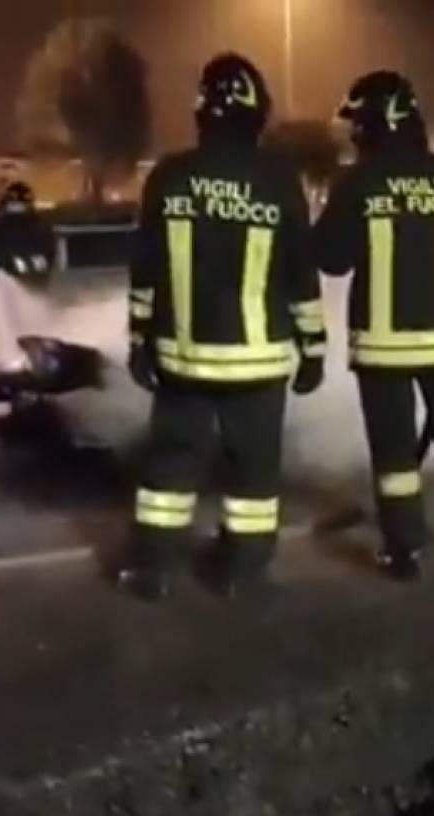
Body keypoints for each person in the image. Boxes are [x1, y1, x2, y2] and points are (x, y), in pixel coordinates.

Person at [120, 53, 327, 601]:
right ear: (258, 113)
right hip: (259, 363)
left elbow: (146, 268)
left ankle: (154, 568)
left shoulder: (169, 176)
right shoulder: (279, 181)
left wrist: (139, 338)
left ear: (201, 112)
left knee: (170, 463)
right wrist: (315, 348)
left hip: (183, 356)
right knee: (254, 474)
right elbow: (299, 273)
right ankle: (242, 569)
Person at [315, 71, 434, 581]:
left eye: (357, 123)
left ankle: (405, 549)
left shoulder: (359, 183)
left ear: (372, 124)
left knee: (395, 451)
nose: (352, 134)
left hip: (385, 345)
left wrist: (323, 215)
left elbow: (329, 260)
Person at [0, 181, 56, 283]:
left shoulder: (40, 228)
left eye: (18, 205)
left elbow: (46, 259)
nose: (16, 208)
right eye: (13, 204)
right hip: (3, 281)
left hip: (30, 282)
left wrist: (9, 266)